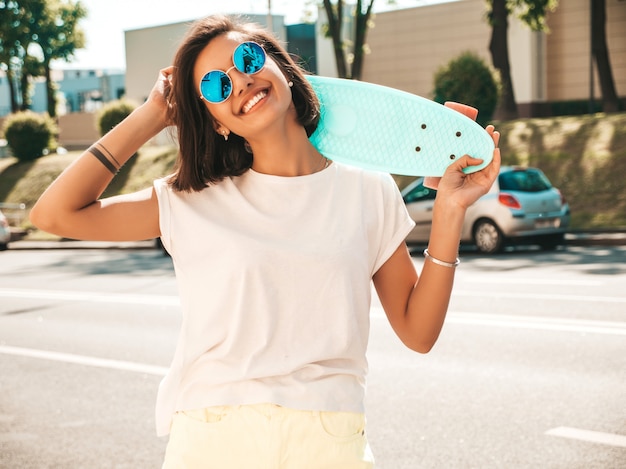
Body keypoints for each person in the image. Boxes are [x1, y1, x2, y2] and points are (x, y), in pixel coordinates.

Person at [30, 14, 500, 469]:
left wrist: (450, 211)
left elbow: (418, 333)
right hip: (212, 438)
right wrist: (153, 115)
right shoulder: (190, 199)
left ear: (282, 69)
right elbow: (54, 214)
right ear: (215, 121)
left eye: (248, 60)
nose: (240, 81)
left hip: (329, 439)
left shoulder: (367, 190)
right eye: (215, 86)